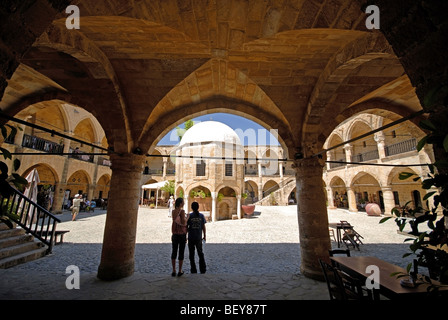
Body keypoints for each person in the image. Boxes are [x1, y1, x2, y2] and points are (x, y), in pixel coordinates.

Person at [187, 201, 206, 274]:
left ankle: (193, 269)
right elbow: (203, 226)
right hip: (198, 237)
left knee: (191, 254)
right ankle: (203, 269)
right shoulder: (201, 216)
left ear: (191, 208)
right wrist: (204, 235)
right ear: (198, 207)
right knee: (200, 253)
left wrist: (185, 236)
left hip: (191, 237)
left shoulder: (190, 216)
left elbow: (186, 226)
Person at [171, 197, 187, 277]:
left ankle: (173, 270)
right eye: (183, 202)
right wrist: (187, 218)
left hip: (174, 234)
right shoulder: (182, 211)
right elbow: (184, 223)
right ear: (180, 203)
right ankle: (180, 270)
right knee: (181, 252)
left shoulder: (173, 211)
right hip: (181, 234)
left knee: (174, 251)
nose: (183, 203)